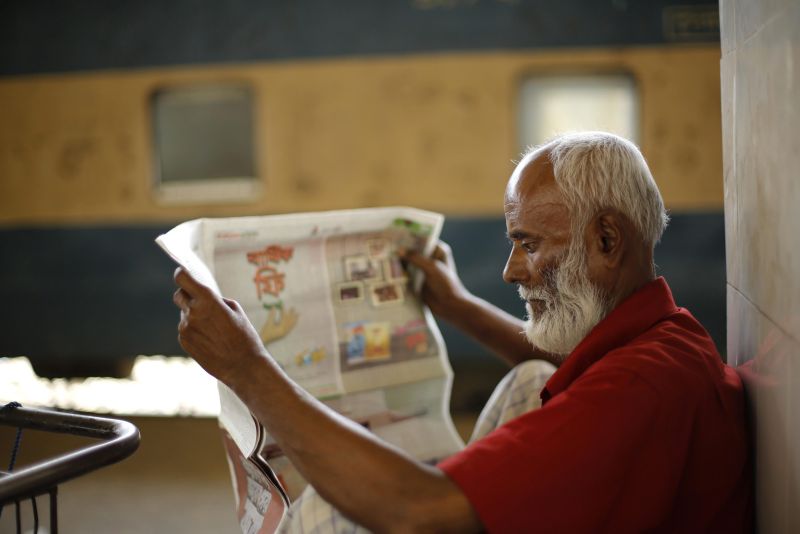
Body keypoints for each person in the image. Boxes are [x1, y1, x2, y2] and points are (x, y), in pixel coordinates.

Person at [173, 131, 751, 532]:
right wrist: (456, 306)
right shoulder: (662, 339)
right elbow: (565, 363)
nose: (511, 270)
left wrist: (248, 368)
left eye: (528, 244)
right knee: (533, 378)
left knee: (331, 513)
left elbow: (419, 514)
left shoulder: (637, 391)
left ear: (606, 241)